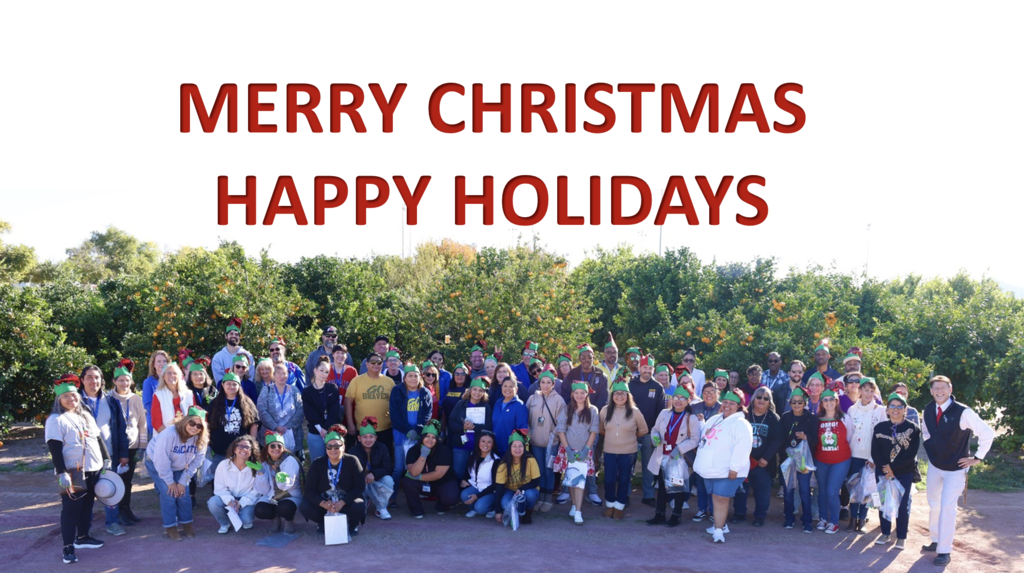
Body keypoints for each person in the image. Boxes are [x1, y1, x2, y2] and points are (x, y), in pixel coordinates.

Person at [921, 375, 995, 566]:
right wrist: (931, 451)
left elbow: (987, 432)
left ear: (950, 390)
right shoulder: (928, 409)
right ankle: (936, 539)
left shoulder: (963, 412)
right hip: (935, 466)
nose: (939, 391)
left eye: (943, 388)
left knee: (947, 506)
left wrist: (977, 458)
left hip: (956, 468)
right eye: (935, 388)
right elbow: (927, 433)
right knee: (934, 503)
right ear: (931, 391)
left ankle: (944, 551)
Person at [47, 374, 112, 563]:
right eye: (66, 396)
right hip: (72, 471)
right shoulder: (55, 420)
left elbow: (98, 438)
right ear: (59, 399)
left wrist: (106, 459)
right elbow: (55, 448)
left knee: (87, 505)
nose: (71, 399)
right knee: (71, 509)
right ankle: (68, 547)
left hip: (93, 468)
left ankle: (82, 537)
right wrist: (62, 472)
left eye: (74, 395)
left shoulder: (85, 414)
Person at [692, 391, 753, 543]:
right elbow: (705, 436)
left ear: (739, 406)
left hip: (728, 470)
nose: (727, 406)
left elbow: (743, 447)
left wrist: (735, 467)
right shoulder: (715, 418)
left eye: (732, 403)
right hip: (711, 469)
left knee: (721, 498)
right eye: (725, 402)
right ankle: (720, 524)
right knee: (714, 496)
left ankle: (719, 531)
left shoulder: (741, 423)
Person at [77, 365, 130, 537]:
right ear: (82, 380)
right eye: (89, 377)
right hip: (83, 458)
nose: (94, 381)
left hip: (108, 455)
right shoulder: (74, 401)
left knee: (109, 490)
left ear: (102, 380)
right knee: (85, 493)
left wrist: (123, 454)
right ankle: (84, 526)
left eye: (97, 377)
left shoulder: (111, 401)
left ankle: (112, 523)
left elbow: (121, 429)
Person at [145, 407, 209, 541]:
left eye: (199, 426)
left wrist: (182, 481)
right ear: (185, 421)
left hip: (180, 465)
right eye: (192, 423)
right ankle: (170, 527)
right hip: (156, 462)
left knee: (183, 494)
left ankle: (187, 524)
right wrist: (170, 482)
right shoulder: (170, 434)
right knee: (169, 493)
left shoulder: (202, 439)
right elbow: (162, 461)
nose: (195, 427)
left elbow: (196, 463)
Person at [559, 344, 608, 507]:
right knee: (570, 459)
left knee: (591, 457)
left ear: (594, 357)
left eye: (589, 356)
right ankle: (566, 490)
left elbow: (602, 398)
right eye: (583, 357)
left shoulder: (601, 375)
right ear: (579, 359)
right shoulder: (573, 373)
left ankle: (592, 491)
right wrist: (574, 409)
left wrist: (590, 413)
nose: (586, 360)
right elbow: (566, 392)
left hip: (592, 420)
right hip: (574, 419)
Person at [871, 392, 921, 550]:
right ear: (887, 409)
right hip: (882, 472)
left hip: (903, 472)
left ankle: (901, 537)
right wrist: (884, 468)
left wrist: (893, 469)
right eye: (892, 406)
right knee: (883, 502)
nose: (895, 409)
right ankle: (885, 533)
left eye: (900, 407)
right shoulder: (879, 427)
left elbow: (910, 454)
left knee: (902, 504)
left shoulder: (912, 429)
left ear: (905, 410)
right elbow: (875, 451)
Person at [646, 386, 701, 527]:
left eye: (682, 398)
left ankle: (676, 515)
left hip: (678, 458)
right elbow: (654, 429)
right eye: (676, 397)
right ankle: (660, 514)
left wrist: (679, 449)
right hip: (662, 455)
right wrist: (656, 437)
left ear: (688, 401)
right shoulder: (664, 413)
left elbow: (695, 439)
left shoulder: (692, 418)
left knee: (677, 488)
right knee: (662, 486)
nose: (678, 400)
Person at [300, 425, 366, 537]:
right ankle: (322, 522)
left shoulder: (352, 461)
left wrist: (343, 501)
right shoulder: (317, 463)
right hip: (326, 502)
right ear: (325, 449)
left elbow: (359, 487)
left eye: (336, 446)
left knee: (359, 504)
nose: (333, 450)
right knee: (305, 506)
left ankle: (353, 524)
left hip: (345, 501)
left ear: (343, 447)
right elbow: (309, 490)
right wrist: (323, 503)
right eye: (329, 447)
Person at [733, 386, 782, 527]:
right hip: (743, 461)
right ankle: (739, 513)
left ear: (770, 402)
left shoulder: (774, 418)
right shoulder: (744, 415)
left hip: (763, 463)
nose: (762, 400)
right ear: (754, 399)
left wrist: (766, 458)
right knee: (741, 490)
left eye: (766, 398)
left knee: (762, 492)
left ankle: (760, 516)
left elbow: (777, 440)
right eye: (759, 397)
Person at [599, 379, 649, 520]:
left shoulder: (635, 412)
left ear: (628, 396)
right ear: (612, 395)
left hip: (628, 453)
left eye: (622, 393)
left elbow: (643, 430)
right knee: (608, 480)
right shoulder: (605, 410)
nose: (619, 396)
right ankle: (610, 505)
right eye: (616, 393)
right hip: (609, 451)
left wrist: (630, 437)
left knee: (624, 480)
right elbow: (601, 429)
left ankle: (619, 507)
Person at [553, 382, 600, 525]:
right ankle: (574, 505)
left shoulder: (592, 410)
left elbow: (594, 431)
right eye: (576, 393)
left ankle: (578, 511)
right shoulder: (567, 410)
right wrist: (567, 449)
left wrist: (586, 449)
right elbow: (561, 430)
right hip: (568, 451)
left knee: (580, 482)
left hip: (583, 451)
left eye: (582, 393)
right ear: (572, 394)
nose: (579, 395)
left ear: (587, 394)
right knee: (572, 481)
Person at [844, 377, 886, 532]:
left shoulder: (880, 411)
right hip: (855, 454)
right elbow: (849, 435)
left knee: (867, 488)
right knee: (854, 487)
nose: (868, 394)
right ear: (860, 391)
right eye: (866, 390)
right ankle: (852, 518)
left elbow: (882, 438)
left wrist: (875, 458)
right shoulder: (852, 410)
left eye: (871, 391)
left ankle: (862, 519)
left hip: (871, 457)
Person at [110, 359, 147, 528]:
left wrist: (142, 445)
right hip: (115, 447)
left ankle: (126, 508)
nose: (124, 383)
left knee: (128, 480)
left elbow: (142, 422)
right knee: (116, 479)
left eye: (127, 380)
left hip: (132, 445)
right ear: (114, 381)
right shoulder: (109, 398)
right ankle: (116, 511)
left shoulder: (135, 398)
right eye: (121, 380)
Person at [206, 371, 260, 481]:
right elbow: (207, 424)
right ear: (222, 385)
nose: (231, 386)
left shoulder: (247, 402)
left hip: (241, 450)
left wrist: (252, 444)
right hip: (219, 449)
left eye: (234, 384)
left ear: (239, 386)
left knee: (241, 478)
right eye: (228, 383)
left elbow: (254, 424)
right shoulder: (215, 403)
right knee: (220, 478)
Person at [401, 420, 460, 518]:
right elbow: (414, 472)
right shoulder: (413, 450)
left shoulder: (444, 450)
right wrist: (423, 454)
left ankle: (442, 506)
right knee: (408, 482)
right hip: (422, 483)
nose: (430, 440)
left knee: (451, 496)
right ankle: (416, 510)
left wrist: (418, 477)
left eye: (433, 437)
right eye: (427, 436)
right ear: (422, 437)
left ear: (437, 439)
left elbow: (438, 474)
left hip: (441, 482)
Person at [526, 371, 566, 512]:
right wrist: (529, 433)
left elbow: (561, 422)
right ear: (539, 383)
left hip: (551, 444)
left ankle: (548, 499)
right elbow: (527, 419)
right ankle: (540, 497)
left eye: (549, 382)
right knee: (540, 471)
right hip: (536, 442)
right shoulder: (532, 398)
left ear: (553, 384)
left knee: (549, 471)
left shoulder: (559, 400)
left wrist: (554, 436)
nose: (545, 385)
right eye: (543, 382)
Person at [389, 364, 433, 492]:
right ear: (405, 378)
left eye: (416, 376)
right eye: (410, 376)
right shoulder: (397, 391)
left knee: (416, 466)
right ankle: (392, 497)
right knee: (398, 468)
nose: (413, 378)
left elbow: (427, 414)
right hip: (401, 435)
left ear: (420, 377)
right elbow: (395, 415)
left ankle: (416, 494)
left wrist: (418, 429)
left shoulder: (425, 392)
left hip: (418, 436)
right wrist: (408, 430)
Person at [813, 389, 851, 534]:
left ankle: (834, 521)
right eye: (825, 400)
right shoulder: (817, 419)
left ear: (836, 402)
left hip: (840, 460)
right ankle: (823, 518)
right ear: (822, 403)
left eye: (831, 399)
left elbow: (850, 438)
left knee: (831, 491)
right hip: (821, 460)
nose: (829, 402)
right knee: (821, 490)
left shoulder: (845, 418)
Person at [780, 387, 817, 532]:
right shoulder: (785, 417)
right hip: (788, 459)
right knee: (788, 491)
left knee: (804, 491)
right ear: (790, 403)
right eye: (793, 402)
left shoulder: (812, 418)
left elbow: (815, 440)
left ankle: (806, 521)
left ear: (805, 403)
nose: (796, 405)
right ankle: (789, 518)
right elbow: (780, 438)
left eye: (800, 402)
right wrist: (789, 452)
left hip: (804, 462)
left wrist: (806, 437)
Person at [630, 356, 664, 507]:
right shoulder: (630, 384)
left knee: (648, 465)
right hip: (630, 432)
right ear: (639, 368)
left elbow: (661, 412)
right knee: (627, 465)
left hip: (649, 432)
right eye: (644, 367)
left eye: (650, 368)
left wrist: (657, 432)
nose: (647, 371)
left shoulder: (657, 387)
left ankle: (648, 495)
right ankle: (624, 494)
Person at [208, 434, 260, 534]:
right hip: (227, 497)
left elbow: (257, 491)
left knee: (247, 522)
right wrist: (230, 501)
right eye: (240, 446)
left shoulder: (256, 467)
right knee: (213, 502)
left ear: (251, 451)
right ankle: (224, 523)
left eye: (247, 447)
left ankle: (242, 516)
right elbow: (219, 488)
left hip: (246, 498)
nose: (243, 449)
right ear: (234, 449)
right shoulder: (223, 465)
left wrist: (241, 503)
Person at [346, 353, 396, 453]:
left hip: (385, 428)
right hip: (363, 429)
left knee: (384, 458)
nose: (376, 364)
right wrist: (350, 424)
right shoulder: (357, 381)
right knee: (363, 459)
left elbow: (395, 405)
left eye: (379, 362)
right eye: (373, 362)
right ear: (367, 364)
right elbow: (348, 402)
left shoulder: (389, 382)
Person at [254, 431, 302, 533]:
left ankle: (289, 520)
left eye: (279, 446)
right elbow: (263, 490)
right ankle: (275, 519)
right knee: (260, 510)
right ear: (267, 448)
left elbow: (284, 487)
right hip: (272, 495)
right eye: (272, 446)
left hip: (290, 495)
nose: (276, 448)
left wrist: (280, 476)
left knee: (284, 508)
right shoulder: (264, 463)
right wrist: (261, 473)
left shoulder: (290, 460)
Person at [256, 362, 305, 460]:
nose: (282, 376)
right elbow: (261, 410)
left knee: (291, 463)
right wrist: (276, 426)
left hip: (292, 433)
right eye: (279, 373)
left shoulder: (294, 390)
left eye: (284, 373)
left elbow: (301, 410)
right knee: (271, 463)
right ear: (273, 375)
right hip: (270, 434)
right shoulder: (267, 390)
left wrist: (287, 426)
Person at [493, 429, 541, 525]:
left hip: (527, 490)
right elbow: (499, 488)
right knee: (504, 503)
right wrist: (497, 511)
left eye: (520, 446)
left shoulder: (530, 460)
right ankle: (517, 513)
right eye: (514, 446)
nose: (517, 449)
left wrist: (521, 489)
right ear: (510, 448)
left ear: (524, 447)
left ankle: (528, 512)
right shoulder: (503, 464)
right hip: (510, 490)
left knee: (530, 495)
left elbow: (536, 481)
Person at [448, 377, 492, 479]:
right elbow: (451, 422)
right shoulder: (460, 404)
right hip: (461, 445)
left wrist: (473, 427)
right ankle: (456, 493)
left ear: (484, 393)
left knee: (475, 473)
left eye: (480, 390)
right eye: (475, 389)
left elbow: (488, 427)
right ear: (470, 390)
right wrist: (463, 427)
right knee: (458, 471)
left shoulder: (486, 407)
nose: (477, 392)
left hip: (478, 446)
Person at [690, 380, 721, 522]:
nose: (709, 395)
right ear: (702, 394)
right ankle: (702, 509)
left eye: (712, 392)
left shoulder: (723, 407)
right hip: (698, 451)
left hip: (717, 452)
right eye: (706, 392)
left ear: (717, 393)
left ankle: (715, 512)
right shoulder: (694, 407)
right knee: (700, 481)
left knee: (714, 482)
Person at [302, 356, 344, 462]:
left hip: (333, 432)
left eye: (326, 372)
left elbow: (334, 411)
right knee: (317, 463)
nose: (323, 374)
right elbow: (310, 414)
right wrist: (321, 430)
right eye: (321, 370)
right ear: (315, 370)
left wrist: (326, 428)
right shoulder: (307, 391)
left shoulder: (332, 388)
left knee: (335, 462)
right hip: (315, 432)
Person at [351, 417, 394, 520]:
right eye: (365, 437)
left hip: (376, 480)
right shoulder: (353, 450)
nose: (368, 440)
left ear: (376, 438)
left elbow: (388, 467)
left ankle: (381, 508)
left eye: (371, 437)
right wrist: (362, 476)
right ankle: (364, 501)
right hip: (361, 482)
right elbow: (350, 470)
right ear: (359, 438)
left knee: (389, 480)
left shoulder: (382, 447)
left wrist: (373, 473)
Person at [460, 430, 500, 518]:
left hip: (490, 491)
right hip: (476, 487)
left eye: (489, 442)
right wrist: (464, 480)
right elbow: (467, 472)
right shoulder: (473, 455)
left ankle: (491, 508)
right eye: (483, 441)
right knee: (464, 495)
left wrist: (477, 496)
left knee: (480, 507)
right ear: (478, 442)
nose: (485, 444)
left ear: (493, 445)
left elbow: (495, 485)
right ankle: (474, 508)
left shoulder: (496, 460)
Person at [151, 363, 195, 435]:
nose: (171, 375)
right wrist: (171, 437)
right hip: (165, 438)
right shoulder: (158, 395)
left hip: (187, 437)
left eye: (175, 373)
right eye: (168, 373)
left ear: (179, 376)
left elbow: (194, 417)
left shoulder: (189, 394)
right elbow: (156, 423)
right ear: (163, 377)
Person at [492, 376, 529, 457]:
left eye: (511, 386)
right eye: (505, 386)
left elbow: (523, 430)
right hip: (495, 448)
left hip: (511, 451)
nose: (507, 389)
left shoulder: (520, 406)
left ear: (516, 389)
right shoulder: (497, 403)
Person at [211, 317, 255, 385]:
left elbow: (250, 378)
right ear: (226, 336)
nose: (234, 336)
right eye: (231, 334)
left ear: (239, 337)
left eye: (236, 334)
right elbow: (220, 381)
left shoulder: (248, 356)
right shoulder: (217, 358)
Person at [142, 350, 171, 437]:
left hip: (171, 423)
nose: (162, 363)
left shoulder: (172, 380)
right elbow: (147, 405)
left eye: (164, 361)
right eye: (158, 361)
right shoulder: (148, 382)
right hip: (156, 425)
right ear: (153, 364)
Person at [440, 362, 471, 427]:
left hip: (461, 426)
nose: (459, 376)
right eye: (457, 374)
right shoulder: (449, 388)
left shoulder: (469, 390)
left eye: (462, 374)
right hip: (448, 425)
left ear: (466, 376)